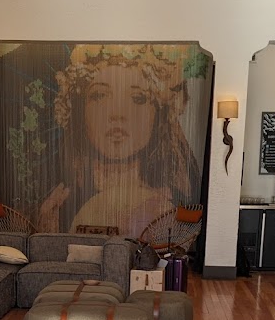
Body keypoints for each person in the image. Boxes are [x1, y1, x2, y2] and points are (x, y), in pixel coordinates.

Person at [38, 44, 202, 237]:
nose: (117, 114)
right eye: (99, 95)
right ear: (79, 110)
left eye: (138, 98)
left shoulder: (175, 203)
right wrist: (47, 233)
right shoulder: (59, 206)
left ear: (159, 114)